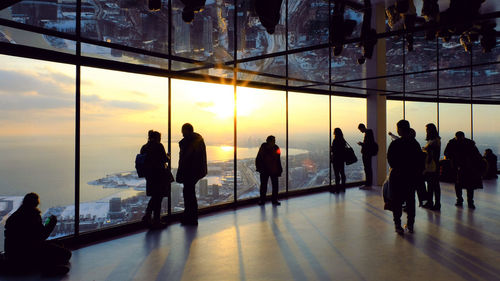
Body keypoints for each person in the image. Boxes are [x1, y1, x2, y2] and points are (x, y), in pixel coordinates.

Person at [4, 193, 71, 274]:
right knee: (66, 254)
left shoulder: (14, 216)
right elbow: (41, 238)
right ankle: (45, 267)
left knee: (57, 245)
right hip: (29, 253)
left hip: (12, 255)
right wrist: (51, 224)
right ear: (36, 203)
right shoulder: (33, 215)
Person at [387, 120, 424, 235]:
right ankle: (410, 225)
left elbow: (390, 160)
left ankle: (397, 225)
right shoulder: (415, 144)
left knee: (396, 201)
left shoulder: (395, 144)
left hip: (397, 177)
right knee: (410, 201)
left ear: (400, 129)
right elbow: (420, 161)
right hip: (411, 177)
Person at [176, 123, 207, 225]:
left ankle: (190, 217)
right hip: (194, 172)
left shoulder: (190, 142)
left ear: (187, 131)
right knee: (190, 194)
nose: (182, 133)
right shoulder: (198, 140)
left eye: (183, 131)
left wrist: (183, 172)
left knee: (188, 195)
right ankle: (191, 217)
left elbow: (186, 159)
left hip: (190, 172)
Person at [444, 131, 483, 209]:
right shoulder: (470, 143)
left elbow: (446, 153)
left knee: (458, 184)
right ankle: (470, 202)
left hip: (457, 166)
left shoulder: (452, 143)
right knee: (469, 185)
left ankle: (459, 200)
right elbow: (477, 155)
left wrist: (453, 159)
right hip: (468, 167)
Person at [141, 130, 170, 228]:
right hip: (159, 176)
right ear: (157, 138)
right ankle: (155, 220)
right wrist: (168, 155)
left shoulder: (144, 147)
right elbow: (165, 159)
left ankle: (148, 216)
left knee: (155, 196)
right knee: (158, 198)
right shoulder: (159, 146)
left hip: (149, 176)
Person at [256, 135, 283, 205]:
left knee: (274, 186)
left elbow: (278, 159)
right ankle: (264, 200)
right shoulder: (264, 147)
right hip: (265, 170)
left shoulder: (276, 148)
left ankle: (273, 200)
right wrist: (259, 167)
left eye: (274, 141)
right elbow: (259, 158)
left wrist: (279, 168)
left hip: (272, 170)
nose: (274, 142)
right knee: (264, 186)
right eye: (273, 140)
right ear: (268, 141)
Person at [422, 123, 441, 210]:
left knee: (434, 185)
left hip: (432, 166)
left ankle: (435, 203)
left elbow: (432, 155)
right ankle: (432, 203)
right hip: (432, 166)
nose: (426, 131)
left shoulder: (434, 142)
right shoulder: (434, 141)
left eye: (427, 129)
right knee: (431, 185)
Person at [357, 123, 377, 189]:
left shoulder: (368, 133)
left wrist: (361, 144)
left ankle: (368, 184)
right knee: (368, 169)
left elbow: (368, 144)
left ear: (362, 128)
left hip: (367, 154)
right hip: (368, 154)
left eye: (360, 129)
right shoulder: (369, 132)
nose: (360, 131)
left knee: (367, 169)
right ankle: (368, 184)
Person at [330, 128, 347, 193]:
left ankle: (337, 188)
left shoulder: (335, 140)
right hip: (341, 159)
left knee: (337, 174)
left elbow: (334, 150)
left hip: (336, 159)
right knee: (342, 173)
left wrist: (331, 148)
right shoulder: (342, 140)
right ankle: (343, 187)